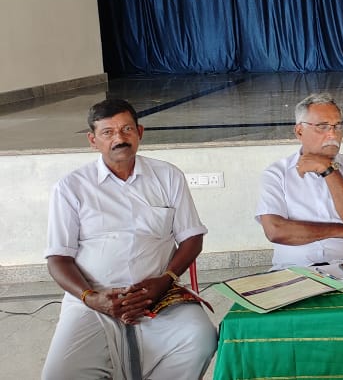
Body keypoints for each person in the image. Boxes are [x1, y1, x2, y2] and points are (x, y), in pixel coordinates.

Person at [43, 99, 217, 379]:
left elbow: (192, 238)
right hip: (94, 299)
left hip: (158, 294)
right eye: (108, 132)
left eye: (126, 129)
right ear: (93, 140)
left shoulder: (168, 176)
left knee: (201, 338)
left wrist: (165, 280)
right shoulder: (71, 187)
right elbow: (58, 259)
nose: (120, 138)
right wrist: (92, 298)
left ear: (140, 132)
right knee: (59, 374)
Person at [256, 93, 343, 269]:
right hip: (293, 268)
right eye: (323, 127)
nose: (332, 134)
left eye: (337, 126)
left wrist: (328, 170)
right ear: (299, 131)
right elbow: (276, 231)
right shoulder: (276, 174)